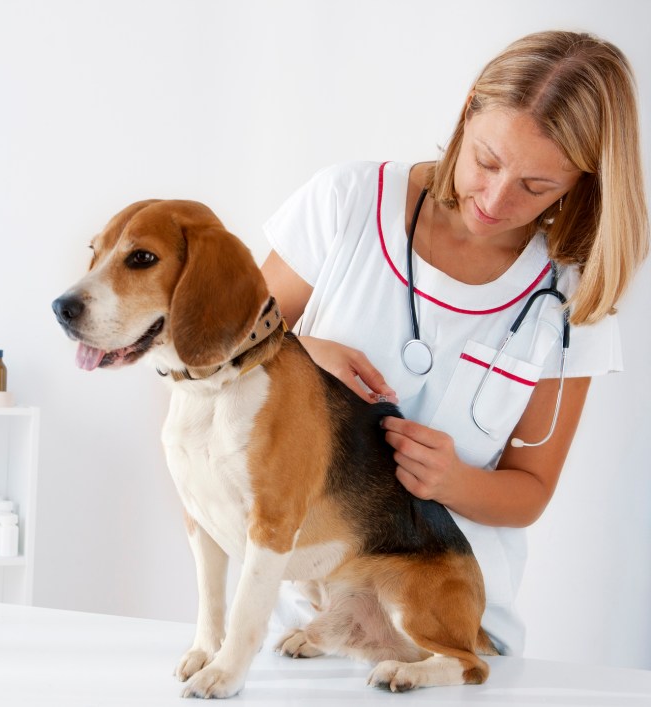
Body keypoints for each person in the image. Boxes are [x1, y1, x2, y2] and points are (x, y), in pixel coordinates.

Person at [261, 30, 649, 655]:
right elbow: (218, 349)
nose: (496, 201)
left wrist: (453, 480)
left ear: (583, 180)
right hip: (300, 626)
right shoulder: (349, 203)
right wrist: (304, 352)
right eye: (488, 161)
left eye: (537, 186)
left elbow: (530, 491)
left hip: (452, 638)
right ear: (468, 110)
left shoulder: (573, 297)